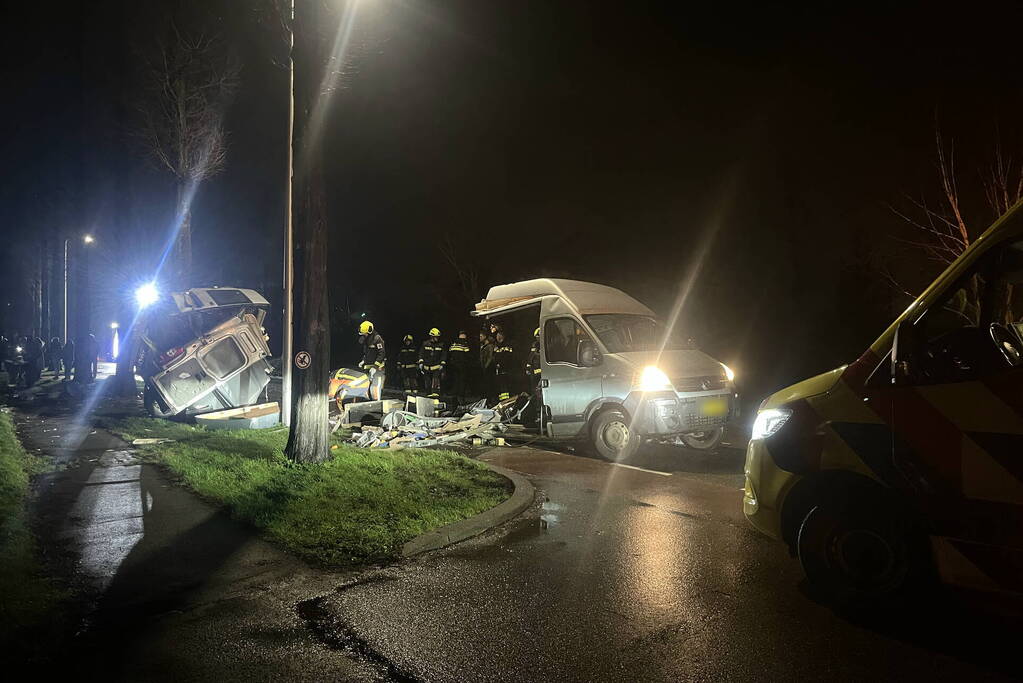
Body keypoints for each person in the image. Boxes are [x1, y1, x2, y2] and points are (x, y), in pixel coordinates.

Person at [357, 321, 386, 400]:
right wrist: (363, 361)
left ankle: (377, 404)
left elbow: (382, 353)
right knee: (366, 387)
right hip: (368, 367)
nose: (363, 336)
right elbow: (367, 353)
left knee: (375, 388)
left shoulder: (377, 338)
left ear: (369, 332)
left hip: (378, 368)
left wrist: (375, 367)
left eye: (364, 334)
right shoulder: (366, 340)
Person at [418, 328, 446, 397]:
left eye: (438, 337)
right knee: (427, 381)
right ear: (431, 336)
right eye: (436, 337)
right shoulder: (425, 344)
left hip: (436, 367)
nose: (437, 338)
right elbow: (421, 353)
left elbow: (444, 355)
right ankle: (428, 394)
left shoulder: (441, 345)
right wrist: (421, 362)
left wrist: (442, 364)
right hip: (426, 366)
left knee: (435, 379)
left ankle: (435, 394)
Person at [446, 330, 472, 403]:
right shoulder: (465, 343)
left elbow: (450, 352)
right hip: (462, 365)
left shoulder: (454, 343)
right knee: (462, 380)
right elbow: (467, 354)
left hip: (453, 365)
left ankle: (455, 393)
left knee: (455, 379)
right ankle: (461, 395)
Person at [493, 330, 514, 401]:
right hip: (499, 370)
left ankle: (506, 401)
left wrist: (500, 365)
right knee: (501, 387)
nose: (497, 337)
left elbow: (508, 358)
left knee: (505, 387)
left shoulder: (506, 345)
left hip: (505, 370)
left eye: (498, 336)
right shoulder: (497, 346)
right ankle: (502, 401)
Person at [479, 330, 495, 403]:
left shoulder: (490, 346)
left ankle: (489, 400)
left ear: (485, 337)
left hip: (488, 368)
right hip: (483, 368)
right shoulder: (482, 346)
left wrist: (486, 367)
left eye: (481, 336)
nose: (480, 338)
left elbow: (490, 357)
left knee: (489, 384)